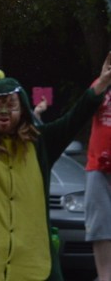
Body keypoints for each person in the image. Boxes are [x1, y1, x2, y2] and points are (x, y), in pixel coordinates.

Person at [0, 58, 111, 281]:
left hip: (32, 263)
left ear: (22, 108)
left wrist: (102, 82)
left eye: (11, 105)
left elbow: (76, 117)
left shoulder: (42, 142)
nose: (4, 112)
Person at [85, 52, 111, 281]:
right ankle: (105, 277)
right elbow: (84, 108)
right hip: (98, 167)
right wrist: (103, 80)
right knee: (100, 226)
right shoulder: (101, 86)